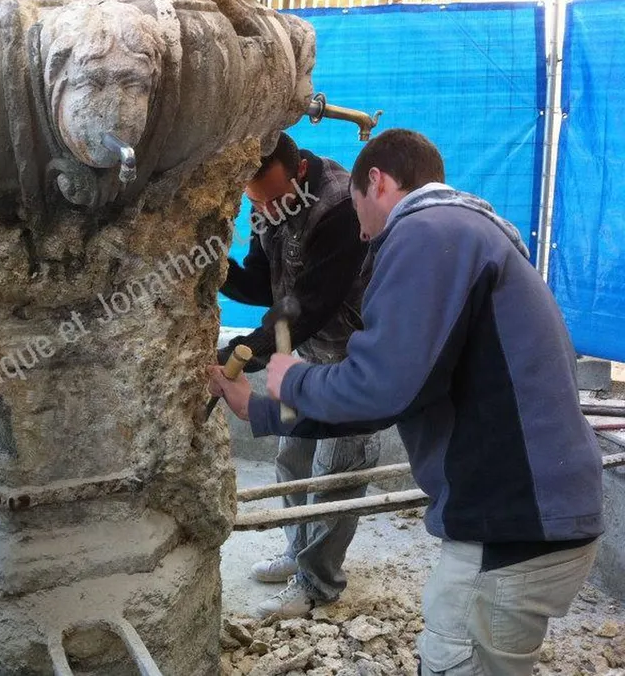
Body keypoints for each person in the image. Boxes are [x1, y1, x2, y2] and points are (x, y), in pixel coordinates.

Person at [208, 129, 604, 675]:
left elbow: (375, 384)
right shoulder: (462, 234)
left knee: (453, 661)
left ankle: (317, 576)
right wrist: (260, 410)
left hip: (512, 521)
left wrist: (288, 377)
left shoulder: (427, 230)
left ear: (377, 180)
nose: (363, 234)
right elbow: (384, 399)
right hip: (527, 518)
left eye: (360, 210)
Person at [218, 132, 378, 618]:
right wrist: (212, 270)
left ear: (300, 173)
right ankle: (298, 550)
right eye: (255, 202)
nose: (263, 209)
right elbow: (262, 285)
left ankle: (318, 584)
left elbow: (308, 305)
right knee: (293, 455)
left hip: (354, 357)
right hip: (307, 351)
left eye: (272, 198)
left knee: (338, 472)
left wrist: (240, 354)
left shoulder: (339, 208)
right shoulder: (268, 200)